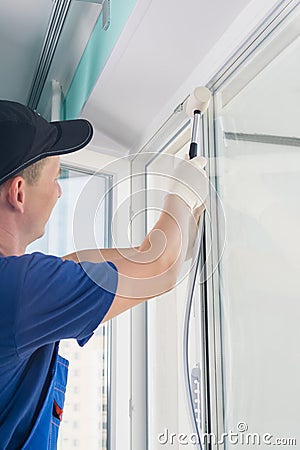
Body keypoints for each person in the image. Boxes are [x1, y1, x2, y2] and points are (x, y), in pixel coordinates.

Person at [0, 100, 208, 449]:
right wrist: (183, 192)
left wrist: (175, 227)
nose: (59, 191)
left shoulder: (19, 287)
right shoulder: (20, 291)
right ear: (19, 193)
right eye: (56, 178)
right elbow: (161, 267)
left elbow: (141, 259)